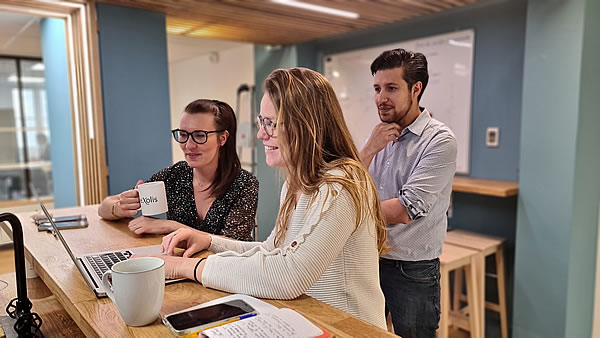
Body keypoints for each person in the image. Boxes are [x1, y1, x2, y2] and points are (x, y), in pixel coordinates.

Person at [155, 68, 388, 329]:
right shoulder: (295, 183)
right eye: (261, 122)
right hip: (308, 322)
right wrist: (209, 241)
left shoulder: (342, 183)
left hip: (349, 329)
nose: (260, 134)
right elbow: (272, 250)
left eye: (271, 123)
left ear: (306, 123)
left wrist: (188, 268)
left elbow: (290, 275)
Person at [359, 48, 457, 337]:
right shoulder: (378, 135)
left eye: (391, 88)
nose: (380, 98)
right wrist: (368, 149)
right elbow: (349, 184)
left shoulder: (439, 140)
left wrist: (350, 211)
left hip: (412, 270)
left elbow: (404, 210)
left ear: (416, 89)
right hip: (370, 259)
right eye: (377, 88)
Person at [98, 99, 258, 241]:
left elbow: (235, 244)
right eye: (183, 134)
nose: (188, 145)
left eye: (200, 136)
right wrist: (120, 208)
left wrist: (171, 227)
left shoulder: (244, 184)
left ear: (222, 138)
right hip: (182, 266)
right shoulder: (174, 176)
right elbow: (103, 208)